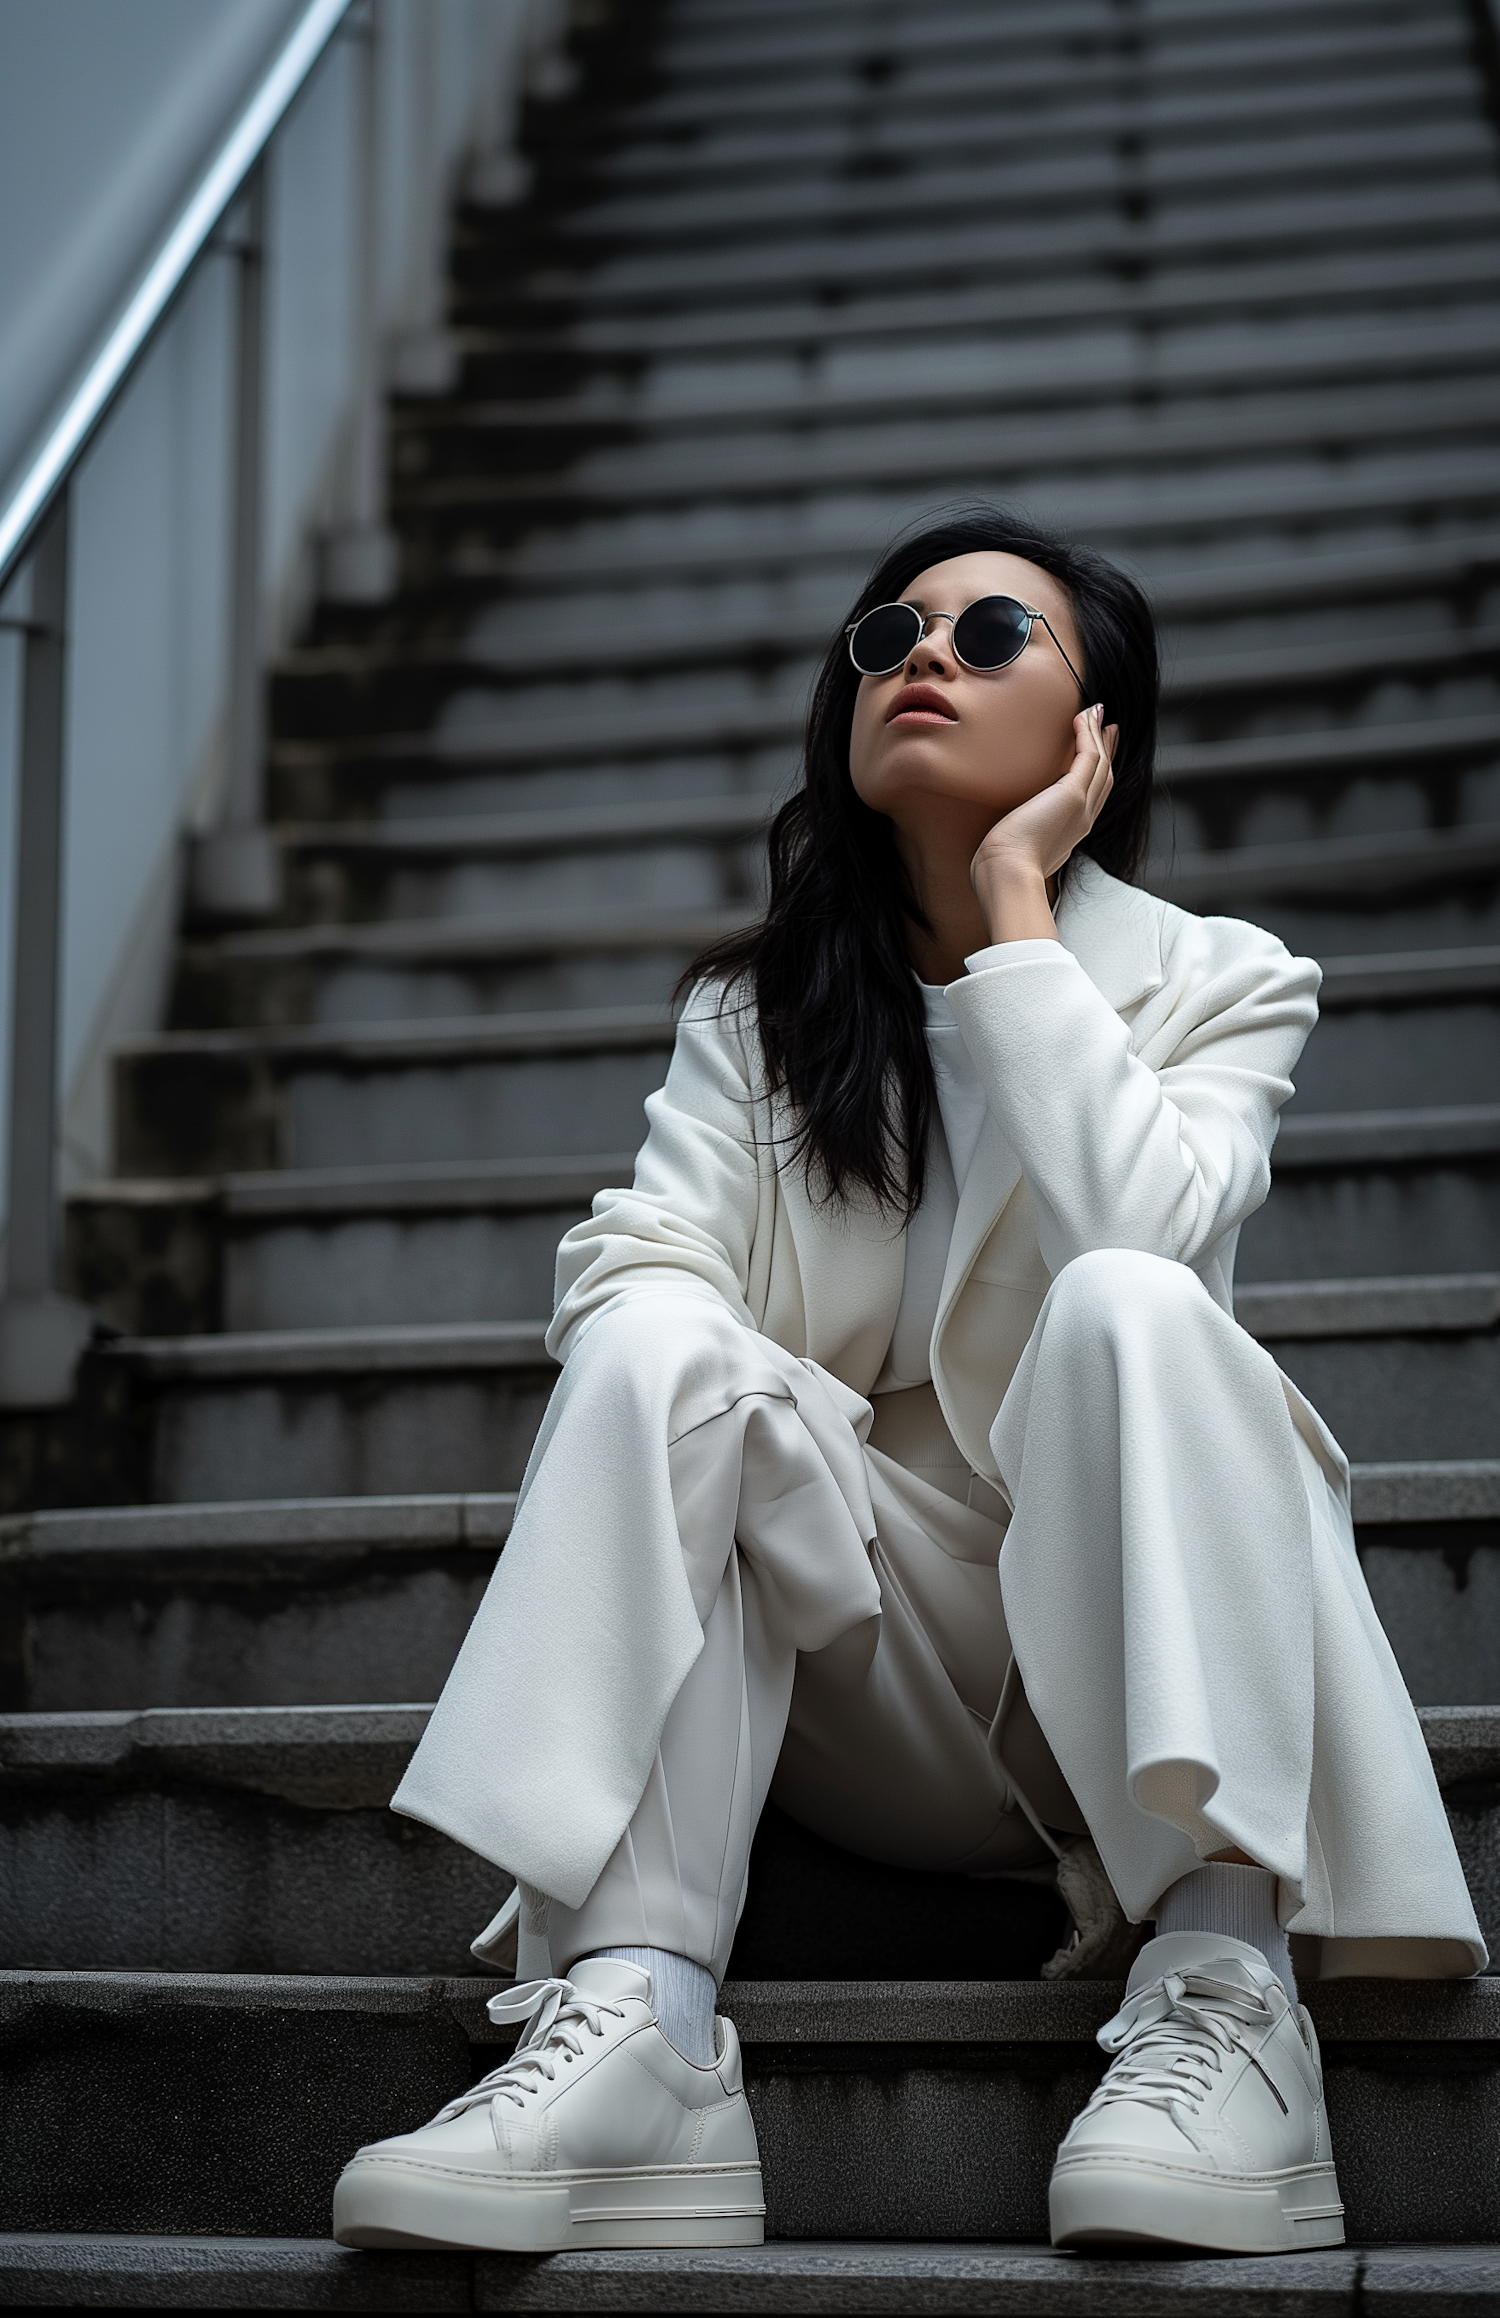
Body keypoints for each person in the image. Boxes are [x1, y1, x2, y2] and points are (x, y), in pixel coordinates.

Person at [332, 508, 1484, 2259]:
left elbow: (1144, 1227)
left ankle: (1228, 1993)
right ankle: (637, 2028)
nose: (921, 656)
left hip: (1119, 1689)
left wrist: (1018, 906)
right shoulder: (760, 1013)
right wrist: (751, 1381)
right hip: (866, 1663)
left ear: (1098, 738)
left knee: (1127, 1305)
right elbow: (631, 1270)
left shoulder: (1218, 981)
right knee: (662, 1337)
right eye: (889, 636)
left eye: (993, 633)